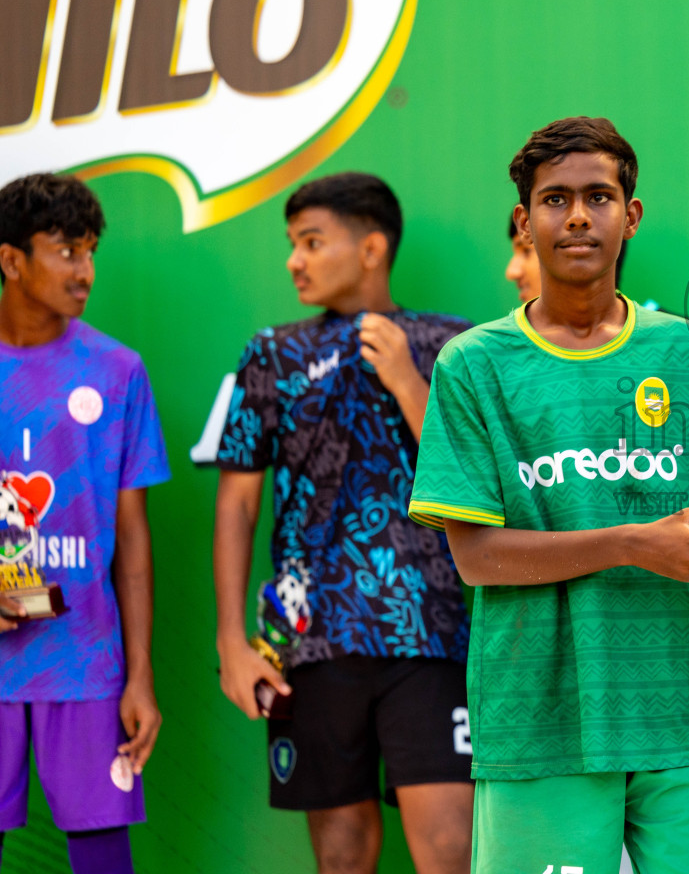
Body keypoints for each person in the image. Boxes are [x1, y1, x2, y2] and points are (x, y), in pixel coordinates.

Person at [408, 116, 689, 874]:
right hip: (539, 723)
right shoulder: (473, 364)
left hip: (676, 717)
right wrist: (631, 542)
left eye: (598, 196)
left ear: (629, 215)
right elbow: (476, 558)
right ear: (525, 221)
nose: (576, 217)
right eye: (555, 199)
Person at [212, 173, 474, 874]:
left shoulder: (455, 346)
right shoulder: (269, 353)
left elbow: (480, 482)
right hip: (312, 644)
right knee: (341, 853)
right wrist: (231, 641)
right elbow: (237, 501)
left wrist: (406, 381)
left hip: (433, 637)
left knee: (451, 849)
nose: (294, 260)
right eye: (292, 244)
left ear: (371, 248)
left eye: (312, 242)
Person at [0, 173, 169, 874]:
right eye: (66, 250)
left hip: (85, 663)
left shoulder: (117, 370)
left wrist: (140, 676)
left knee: (102, 853)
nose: (85, 271)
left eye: (91, 250)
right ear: (11, 260)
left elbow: (132, 539)